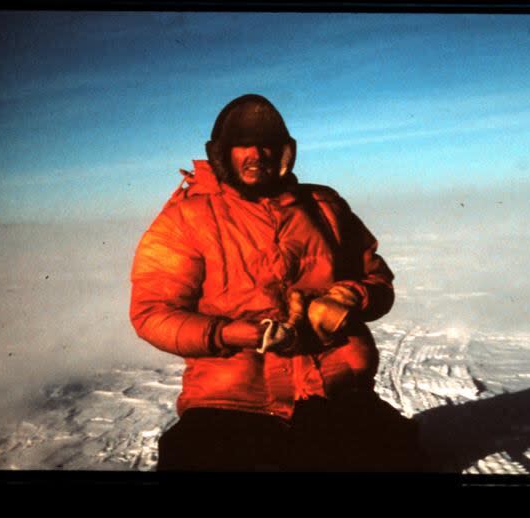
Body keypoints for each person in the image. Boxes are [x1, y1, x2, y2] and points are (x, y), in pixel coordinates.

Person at [130, 94, 425, 471]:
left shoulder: (324, 205)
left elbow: (377, 280)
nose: (256, 153)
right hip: (232, 398)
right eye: (242, 145)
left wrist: (348, 298)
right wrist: (239, 334)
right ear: (223, 153)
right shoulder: (186, 218)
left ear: (285, 152)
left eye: (267, 144)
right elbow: (152, 313)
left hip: (331, 387)